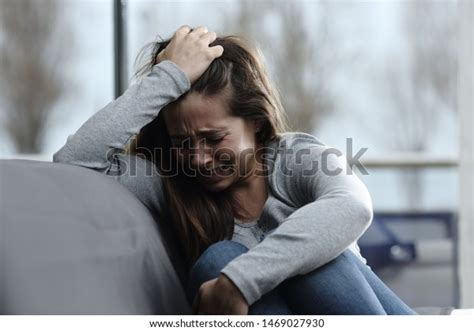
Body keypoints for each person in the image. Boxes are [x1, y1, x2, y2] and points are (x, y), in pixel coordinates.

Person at [53, 25, 416, 315]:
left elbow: (352, 207)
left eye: (213, 138)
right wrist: (169, 76)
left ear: (256, 121)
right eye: (183, 142)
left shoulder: (297, 158)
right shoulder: (170, 182)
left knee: (312, 260)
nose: (198, 158)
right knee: (219, 259)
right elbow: (75, 160)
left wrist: (240, 281)